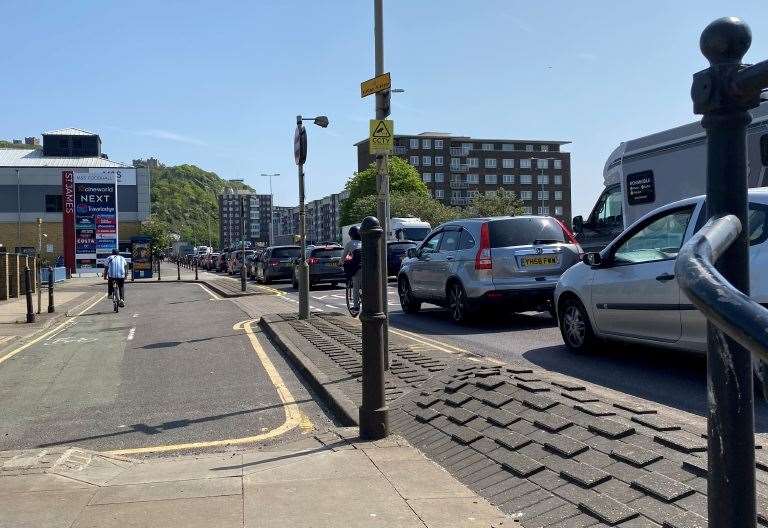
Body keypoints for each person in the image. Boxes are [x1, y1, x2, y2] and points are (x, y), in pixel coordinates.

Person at [342, 225, 362, 315]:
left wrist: (340, 263)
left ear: (351, 235)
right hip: (368, 268)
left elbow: (343, 257)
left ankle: (356, 308)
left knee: (356, 287)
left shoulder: (350, 243)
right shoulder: (364, 242)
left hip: (358, 268)